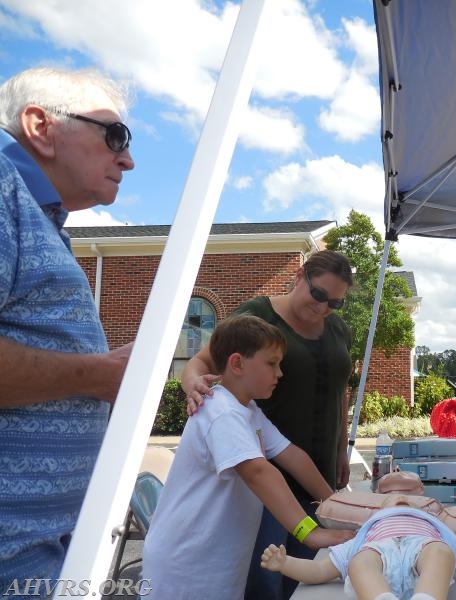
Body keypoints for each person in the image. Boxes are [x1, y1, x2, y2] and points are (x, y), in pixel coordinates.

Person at [0, 67, 135, 582]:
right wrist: (97, 375)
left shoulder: (39, 215)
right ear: (40, 126)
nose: (128, 158)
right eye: (114, 135)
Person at [181, 249, 354, 600]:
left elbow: (333, 403)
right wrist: (194, 387)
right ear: (299, 276)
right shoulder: (226, 413)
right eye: (318, 294)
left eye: (334, 304)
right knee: (265, 583)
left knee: (303, 579)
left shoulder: (253, 416)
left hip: (312, 475)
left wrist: (336, 500)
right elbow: (264, 474)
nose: (323, 308)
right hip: (256, 492)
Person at [143, 315, 353, 599]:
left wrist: (336, 510)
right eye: (271, 363)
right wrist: (309, 532)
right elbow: (258, 472)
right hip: (188, 566)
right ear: (237, 363)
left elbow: (292, 456)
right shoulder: (221, 412)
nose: (280, 373)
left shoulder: (247, 409)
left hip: (217, 562)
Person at [260, 494, 456, 600]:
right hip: (380, 555)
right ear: (377, 514)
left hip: (423, 550)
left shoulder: (435, 528)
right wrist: (286, 563)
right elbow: (319, 571)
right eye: (388, 500)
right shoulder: (368, 535)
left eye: (410, 502)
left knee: (441, 553)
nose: (401, 499)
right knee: (359, 562)